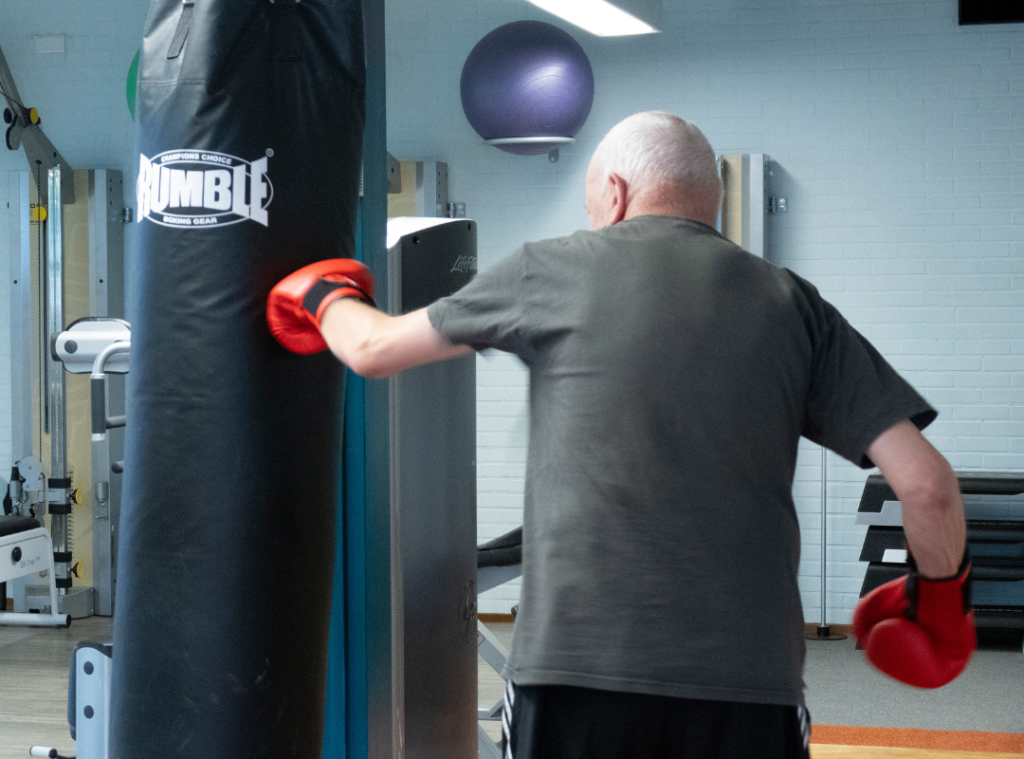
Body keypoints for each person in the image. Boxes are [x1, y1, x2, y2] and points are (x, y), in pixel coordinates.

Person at [266, 111, 974, 759]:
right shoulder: (793, 303)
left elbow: (373, 350)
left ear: (615, 189)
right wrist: (941, 603)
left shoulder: (551, 267)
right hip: (748, 683)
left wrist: (323, 292)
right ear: (712, 199)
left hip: (574, 676)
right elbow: (927, 487)